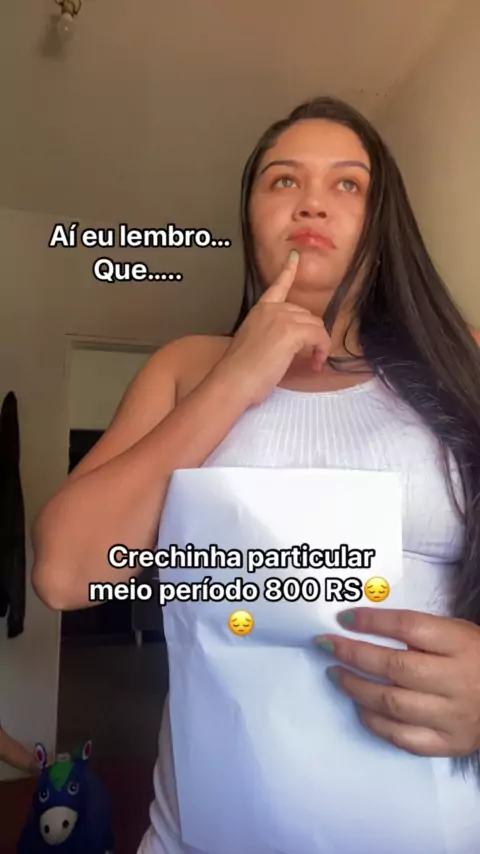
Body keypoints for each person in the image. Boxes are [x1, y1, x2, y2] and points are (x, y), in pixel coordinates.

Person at [31, 96, 480, 853]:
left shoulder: (462, 360)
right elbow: (65, 572)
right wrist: (237, 377)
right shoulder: (188, 366)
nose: (312, 202)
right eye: (283, 180)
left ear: (382, 223)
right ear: (250, 218)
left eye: (347, 183)